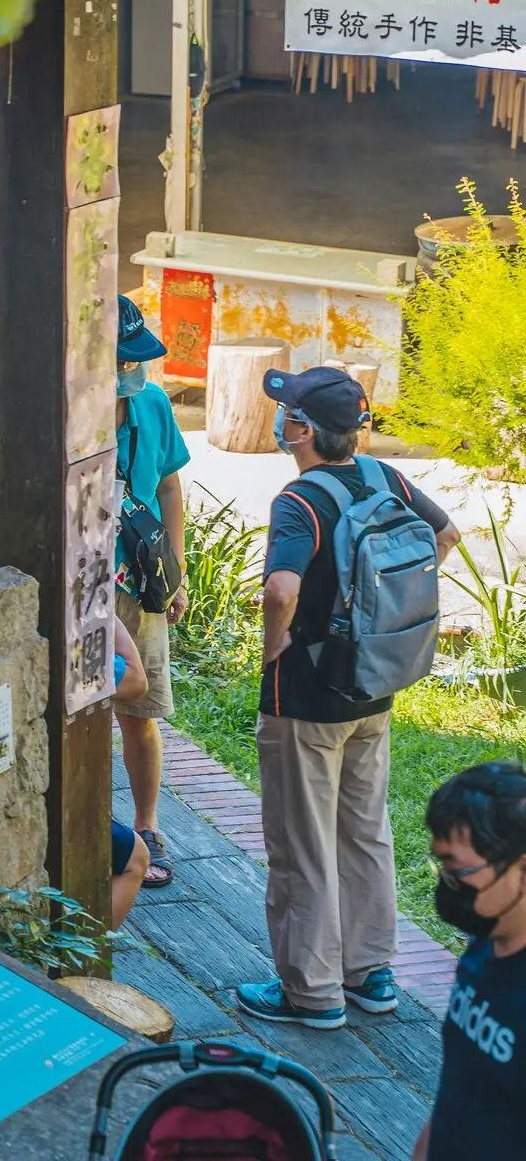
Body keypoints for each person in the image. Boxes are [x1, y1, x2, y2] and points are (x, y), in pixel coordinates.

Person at [236, 366, 460, 1031]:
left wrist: (273, 647)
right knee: (364, 832)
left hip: (304, 694)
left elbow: (281, 589)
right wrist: (377, 617)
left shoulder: (299, 500)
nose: (281, 421)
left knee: (302, 842)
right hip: (372, 684)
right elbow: (443, 537)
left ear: (301, 429)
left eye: (286, 413)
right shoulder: (388, 479)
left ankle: (312, 992)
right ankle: (371, 973)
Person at [113, 294, 190, 890]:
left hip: (139, 585)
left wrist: (176, 570)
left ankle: (146, 826)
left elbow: (168, 488)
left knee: (139, 712)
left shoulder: (154, 403)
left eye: (135, 360)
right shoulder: (60, 406)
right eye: (121, 361)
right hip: (79, 587)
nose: (130, 373)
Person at [412, 762, 526, 1161]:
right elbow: (461, 1084)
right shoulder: (484, 943)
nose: (448, 883)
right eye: (442, 865)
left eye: (459, 869)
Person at [112, 615, 152, 928]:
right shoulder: (74, 647)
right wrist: (105, 611)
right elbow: (137, 680)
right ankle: (81, 969)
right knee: (135, 855)